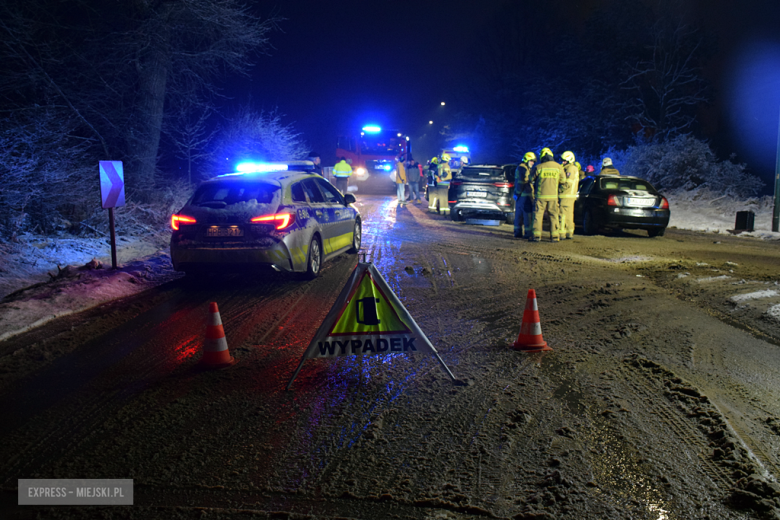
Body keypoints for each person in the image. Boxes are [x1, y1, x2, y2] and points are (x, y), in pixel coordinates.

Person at [530, 147, 564, 242]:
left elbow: (530, 179)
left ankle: (536, 236)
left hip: (540, 196)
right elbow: (563, 181)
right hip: (553, 196)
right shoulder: (558, 167)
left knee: (538, 215)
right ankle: (555, 236)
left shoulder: (539, 167)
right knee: (554, 215)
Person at [514, 152, 536, 239]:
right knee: (527, 215)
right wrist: (517, 193)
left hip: (521, 195)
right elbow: (521, 183)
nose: (533, 163)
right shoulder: (523, 168)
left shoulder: (522, 168)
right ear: (526, 160)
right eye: (531, 161)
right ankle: (528, 233)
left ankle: (518, 232)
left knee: (518, 214)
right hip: (525, 195)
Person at [559, 151, 579, 240]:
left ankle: (562, 233)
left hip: (565, 195)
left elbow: (567, 184)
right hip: (570, 196)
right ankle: (569, 232)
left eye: (565, 161)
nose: (563, 162)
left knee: (562, 215)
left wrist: (558, 189)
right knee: (569, 215)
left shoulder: (570, 169)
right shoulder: (573, 168)